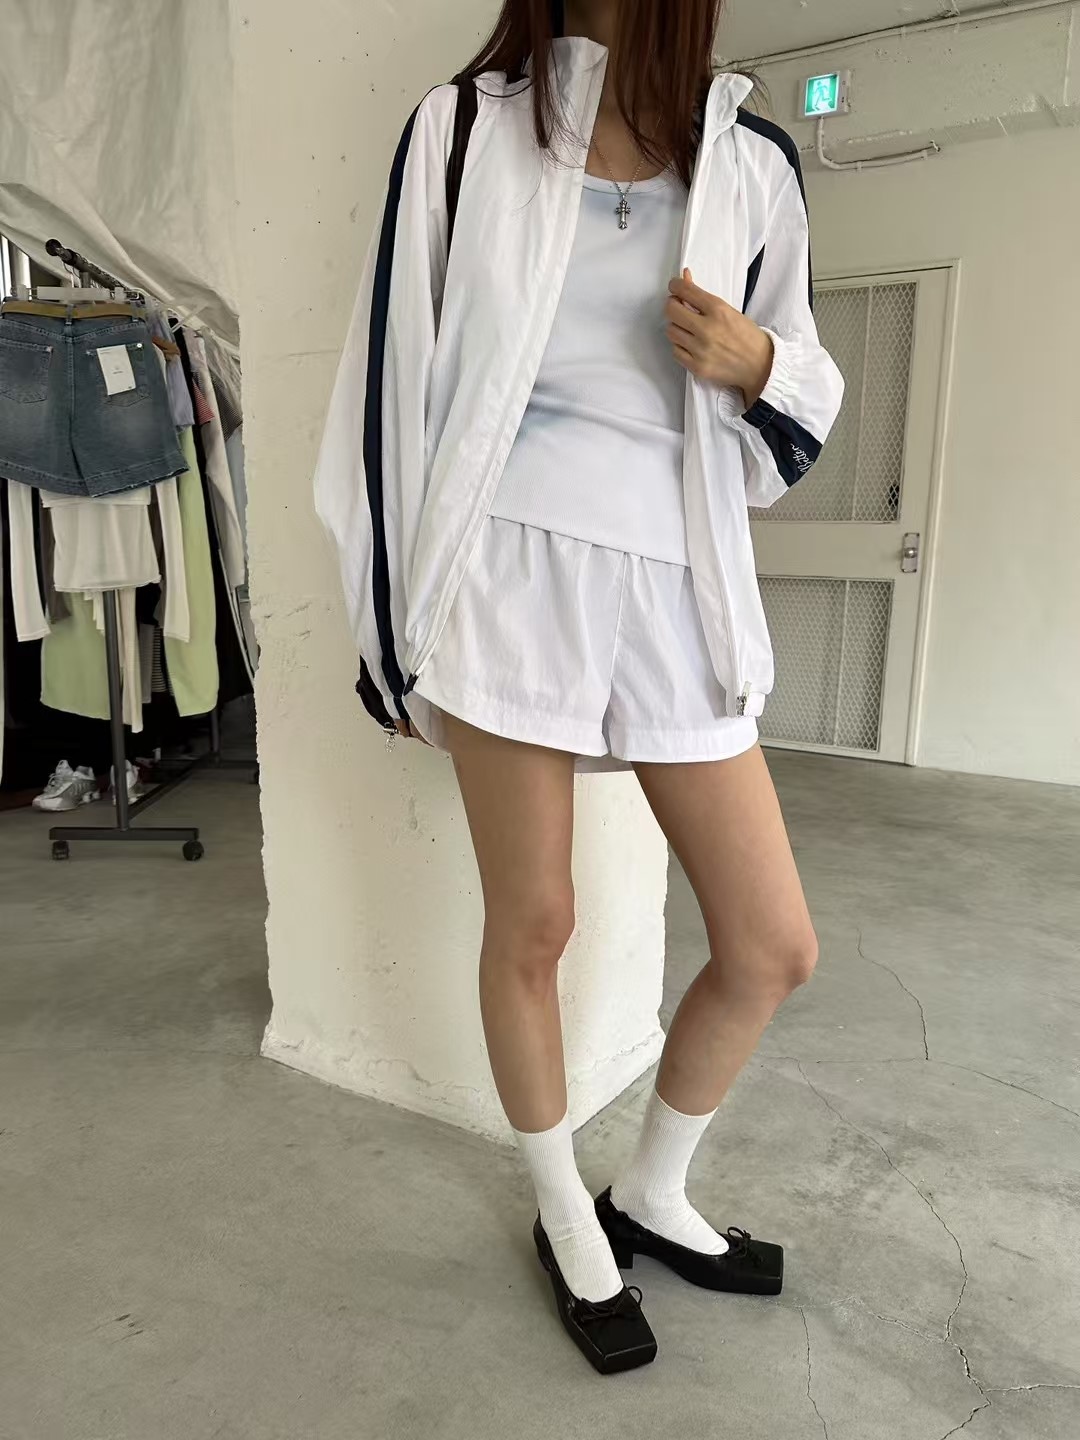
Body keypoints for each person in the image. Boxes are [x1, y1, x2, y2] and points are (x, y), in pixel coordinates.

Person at [316, 0, 844, 1374]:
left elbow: (797, 392)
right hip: (506, 576)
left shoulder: (753, 161)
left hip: (677, 583)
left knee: (772, 943)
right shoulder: (462, 132)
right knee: (536, 920)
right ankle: (565, 1211)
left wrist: (761, 365)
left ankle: (653, 1190)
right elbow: (389, 389)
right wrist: (391, 634)